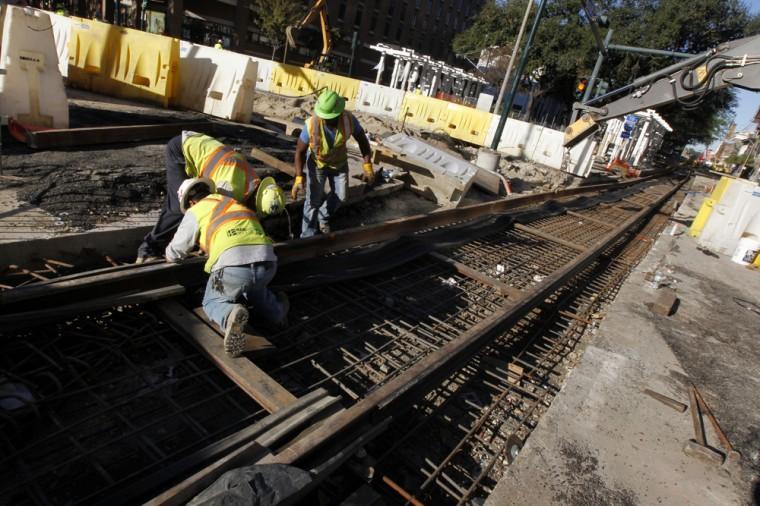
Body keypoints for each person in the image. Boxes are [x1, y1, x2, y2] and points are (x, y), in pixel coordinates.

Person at [165, 177, 289, 357]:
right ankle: (277, 312)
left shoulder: (196, 210)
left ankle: (230, 313)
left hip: (233, 265)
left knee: (212, 301)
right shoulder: (232, 202)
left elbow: (176, 251)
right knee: (254, 290)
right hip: (267, 262)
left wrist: (168, 255)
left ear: (191, 202)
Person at [136, 132, 259, 263]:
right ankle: (148, 251)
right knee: (180, 207)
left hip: (198, 147)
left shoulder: (252, 182)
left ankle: (177, 242)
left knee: (183, 205)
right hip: (180, 150)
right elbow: (206, 214)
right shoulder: (229, 190)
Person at [291, 90, 374, 237]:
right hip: (318, 163)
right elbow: (299, 152)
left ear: (339, 113)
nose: (325, 120)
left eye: (330, 117)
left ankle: (322, 217)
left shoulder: (349, 120)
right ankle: (307, 235)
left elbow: (362, 140)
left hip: (339, 163)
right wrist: (298, 177)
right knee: (313, 201)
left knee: (341, 195)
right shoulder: (311, 125)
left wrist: (367, 165)